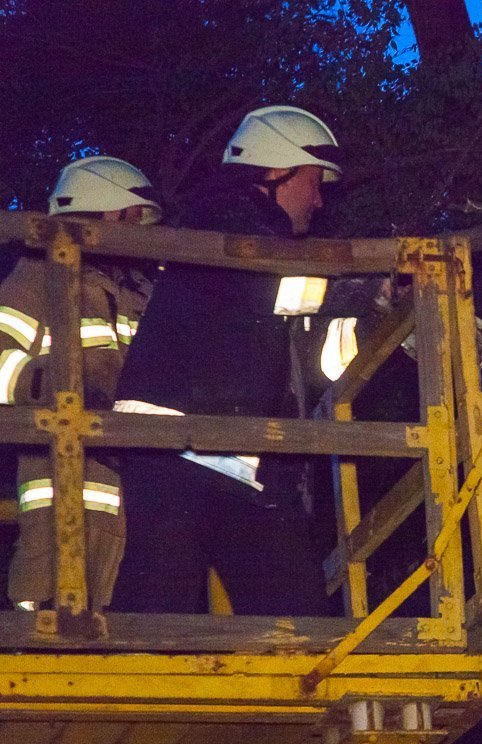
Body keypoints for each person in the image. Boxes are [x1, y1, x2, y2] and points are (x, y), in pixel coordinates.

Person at [111, 105, 351, 616]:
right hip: (171, 446)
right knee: (156, 623)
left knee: (297, 623)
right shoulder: (224, 220)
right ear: (276, 171)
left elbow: (312, 355)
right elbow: (278, 290)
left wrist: (380, 315)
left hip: (236, 457)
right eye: (313, 181)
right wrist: (363, 286)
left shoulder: (260, 241)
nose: (318, 197)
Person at [3, 156, 161, 611]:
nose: (141, 235)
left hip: (131, 494)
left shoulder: (139, 296)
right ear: (110, 213)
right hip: (60, 492)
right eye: (135, 219)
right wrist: (54, 388)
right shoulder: (38, 276)